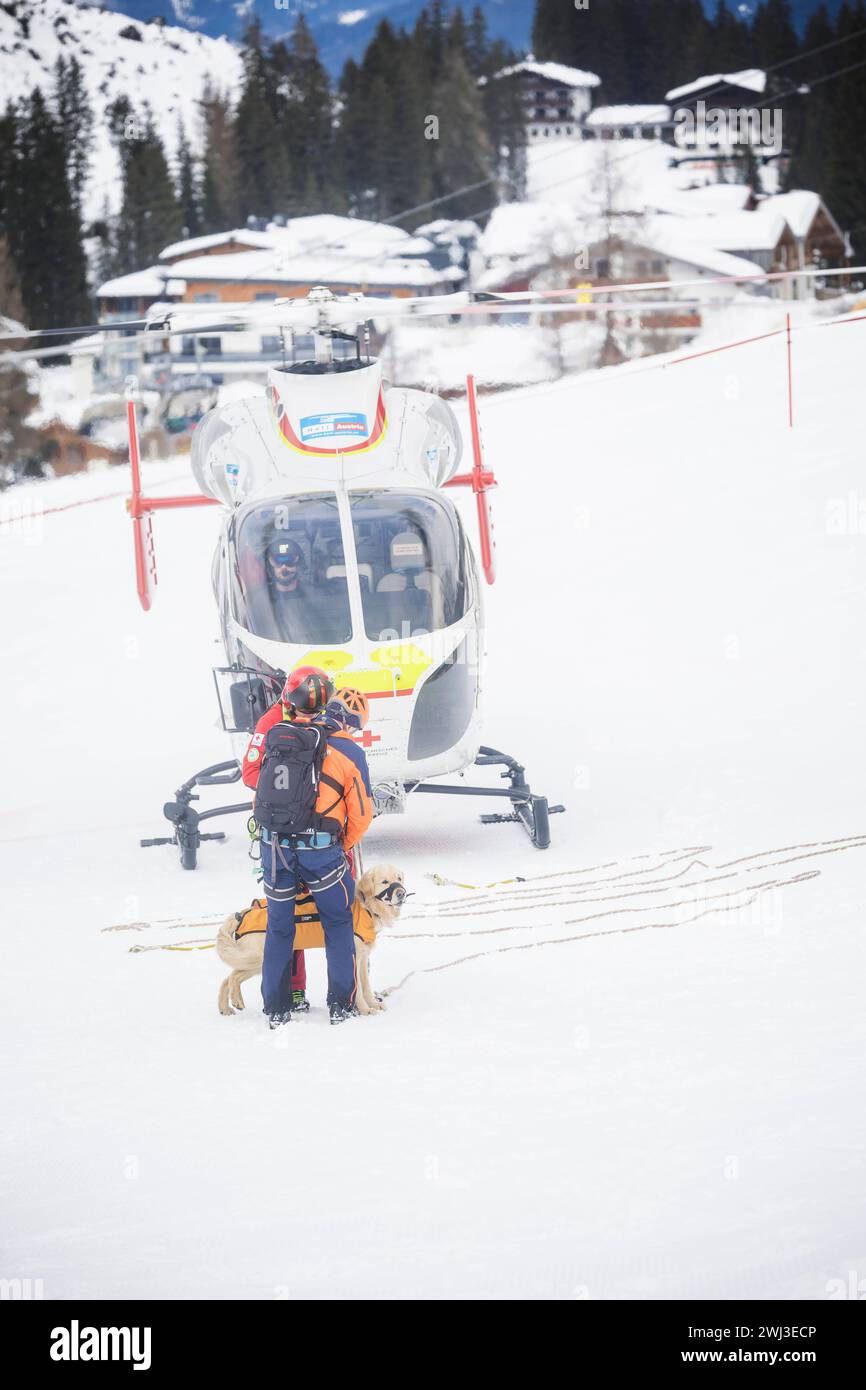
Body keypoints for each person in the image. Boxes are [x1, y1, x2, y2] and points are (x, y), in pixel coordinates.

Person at [241, 668, 374, 1027]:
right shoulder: (346, 749)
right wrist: (339, 845)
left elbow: (259, 791)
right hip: (321, 853)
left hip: (275, 851)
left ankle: (277, 1007)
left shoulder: (275, 736)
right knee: (337, 921)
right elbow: (362, 813)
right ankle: (340, 1004)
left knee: (280, 927)